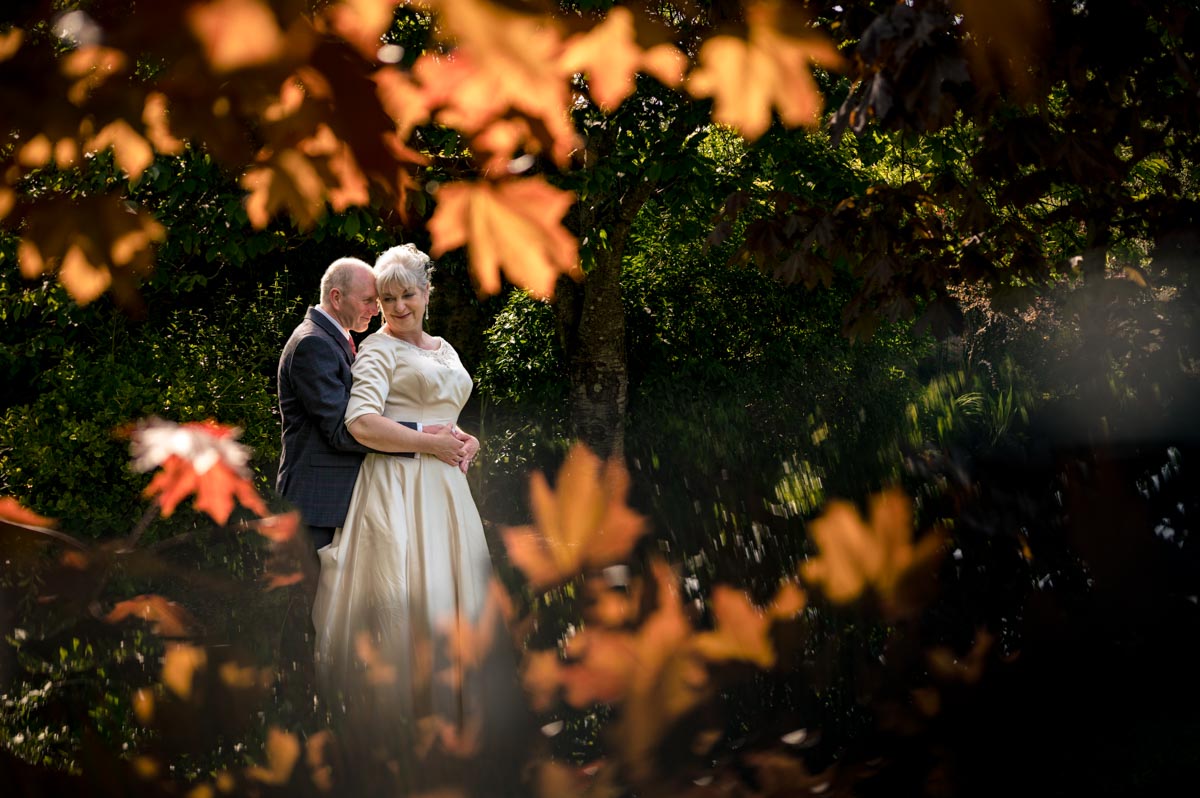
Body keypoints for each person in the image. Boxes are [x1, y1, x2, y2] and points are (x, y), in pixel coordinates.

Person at [311, 244, 526, 791]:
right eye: (386, 298)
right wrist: (426, 446)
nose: (398, 306)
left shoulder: (446, 348)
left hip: (448, 489)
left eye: (408, 295)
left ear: (428, 293)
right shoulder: (378, 349)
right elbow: (361, 423)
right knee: (410, 595)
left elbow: (444, 412)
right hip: (399, 487)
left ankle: (463, 733)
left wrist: (462, 439)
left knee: (457, 596)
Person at [276, 256, 472, 550]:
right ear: (336, 297)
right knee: (315, 595)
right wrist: (427, 437)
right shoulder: (312, 343)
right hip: (318, 502)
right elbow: (344, 430)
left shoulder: (332, 339)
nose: (376, 309)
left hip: (338, 498)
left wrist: (455, 436)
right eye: (371, 300)